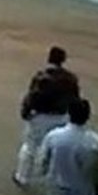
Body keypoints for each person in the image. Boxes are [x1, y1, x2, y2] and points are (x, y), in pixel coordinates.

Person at [14, 46, 81, 186]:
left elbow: (31, 97)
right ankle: (56, 179)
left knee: (30, 147)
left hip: (41, 117)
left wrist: (25, 112)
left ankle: (22, 176)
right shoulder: (71, 79)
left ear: (49, 58)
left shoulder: (41, 77)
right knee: (57, 149)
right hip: (62, 117)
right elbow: (75, 99)